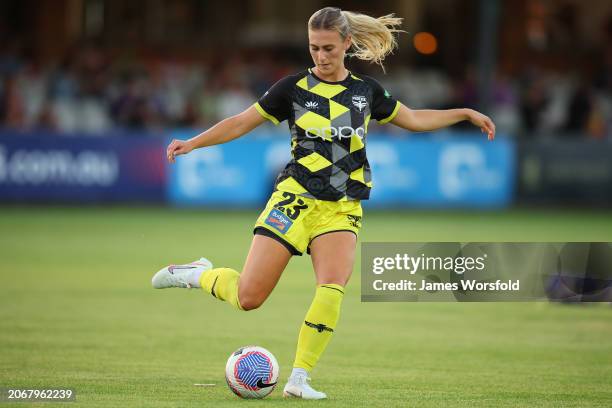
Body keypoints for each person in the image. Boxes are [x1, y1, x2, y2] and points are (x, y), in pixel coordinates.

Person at [151, 6, 495, 400]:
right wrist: (193, 142)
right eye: (314, 47)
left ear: (347, 44)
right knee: (249, 298)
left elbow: (415, 119)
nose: (321, 56)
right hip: (294, 199)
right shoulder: (291, 88)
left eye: (329, 48)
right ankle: (196, 274)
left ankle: (300, 378)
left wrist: (465, 113)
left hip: (341, 207)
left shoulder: (367, 92)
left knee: (332, 286)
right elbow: (241, 122)